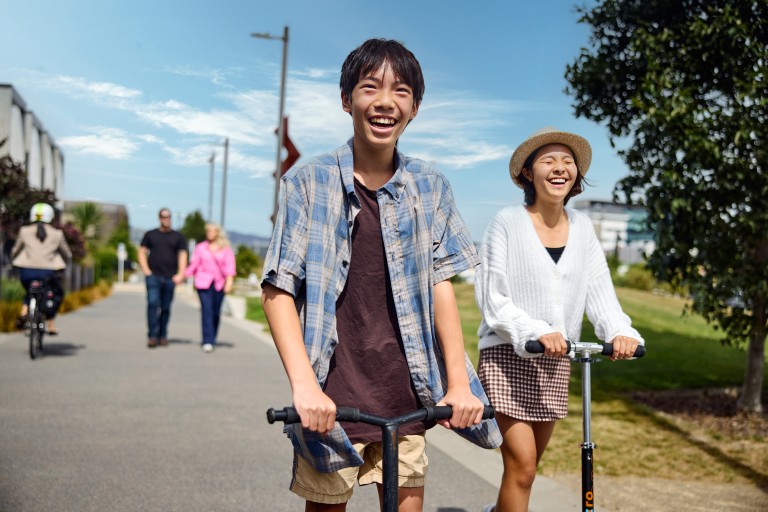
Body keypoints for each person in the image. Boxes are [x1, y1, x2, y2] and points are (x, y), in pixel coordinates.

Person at [261, 38, 501, 511]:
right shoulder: (309, 181)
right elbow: (278, 289)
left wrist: (456, 383)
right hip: (331, 396)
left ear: (415, 108)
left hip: (406, 391)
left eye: (402, 91)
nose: (386, 101)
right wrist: (305, 386)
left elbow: (441, 285)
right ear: (347, 99)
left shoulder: (430, 186)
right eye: (370, 87)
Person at [475, 127, 645, 512]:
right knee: (522, 467)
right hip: (508, 356)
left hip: (556, 360)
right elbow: (493, 298)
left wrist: (619, 331)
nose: (560, 168)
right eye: (548, 160)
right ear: (528, 173)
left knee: (530, 469)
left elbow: (600, 293)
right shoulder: (507, 222)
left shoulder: (583, 228)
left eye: (567, 161)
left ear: (576, 177)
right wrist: (536, 331)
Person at [11, 203, 72, 335]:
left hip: (26, 271)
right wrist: (64, 263)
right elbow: (66, 253)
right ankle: (51, 324)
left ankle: (24, 312)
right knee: (53, 295)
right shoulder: (57, 234)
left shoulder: (24, 231)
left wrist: (13, 261)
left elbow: (15, 250)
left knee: (30, 289)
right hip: (48, 272)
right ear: (50, 216)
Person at [137, 208, 187, 348]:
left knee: (165, 307)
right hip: (154, 276)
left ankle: (163, 334)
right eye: (164, 216)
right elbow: (141, 252)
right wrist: (146, 270)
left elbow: (183, 255)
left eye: (169, 216)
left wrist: (181, 273)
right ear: (159, 218)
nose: (167, 219)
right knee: (153, 304)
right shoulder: (150, 234)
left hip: (170, 277)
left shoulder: (178, 237)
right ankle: (152, 335)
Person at [184, 222, 236, 353]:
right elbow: (194, 264)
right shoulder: (201, 247)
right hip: (203, 282)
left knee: (215, 312)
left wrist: (229, 282)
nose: (209, 233)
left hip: (219, 283)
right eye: (208, 231)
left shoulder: (225, 249)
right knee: (206, 310)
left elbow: (230, 267)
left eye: (212, 231)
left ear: (217, 232)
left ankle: (212, 337)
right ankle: (207, 340)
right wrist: (183, 275)